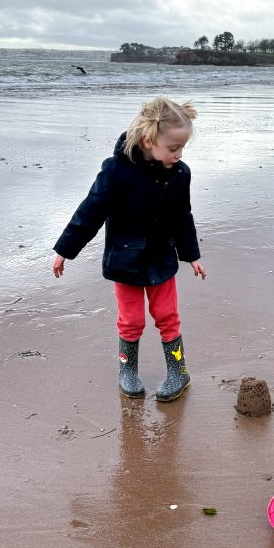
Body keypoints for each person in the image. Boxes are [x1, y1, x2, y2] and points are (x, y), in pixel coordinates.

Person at [52, 96, 206, 402]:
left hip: (161, 259)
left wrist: (191, 255)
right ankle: (127, 369)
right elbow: (90, 211)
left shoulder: (179, 174)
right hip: (125, 259)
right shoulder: (117, 171)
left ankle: (179, 370)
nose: (179, 155)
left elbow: (182, 217)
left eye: (182, 148)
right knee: (131, 320)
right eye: (173, 148)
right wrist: (65, 249)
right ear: (149, 140)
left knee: (167, 315)